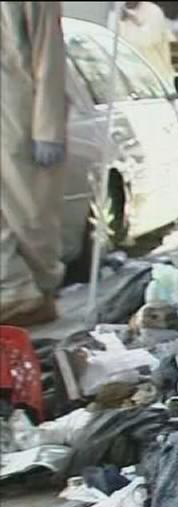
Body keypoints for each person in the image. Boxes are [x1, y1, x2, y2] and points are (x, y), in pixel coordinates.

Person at [0, 2, 68, 326]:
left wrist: (49, 129)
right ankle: (14, 291)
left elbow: (49, 56)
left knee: (28, 213)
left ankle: (33, 294)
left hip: (18, 111)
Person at [119, 1, 175, 82]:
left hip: (152, 80)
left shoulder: (152, 11)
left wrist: (130, 16)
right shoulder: (113, 12)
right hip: (122, 78)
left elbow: (144, 41)